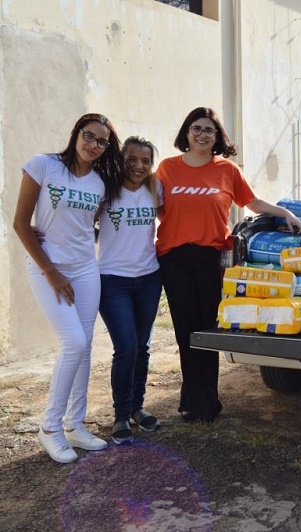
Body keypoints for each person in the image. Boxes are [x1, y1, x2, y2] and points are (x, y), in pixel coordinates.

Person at [156, 107, 301, 423]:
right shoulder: (167, 169)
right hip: (175, 258)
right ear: (186, 132)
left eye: (209, 130)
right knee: (185, 331)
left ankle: (208, 400)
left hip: (212, 259)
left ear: (217, 137)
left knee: (208, 329)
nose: (201, 135)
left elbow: (251, 202)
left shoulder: (227, 170)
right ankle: (189, 400)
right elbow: (153, 206)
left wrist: (285, 214)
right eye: (196, 128)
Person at [13, 113, 125, 463]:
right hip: (49, 269)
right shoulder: (43, 166)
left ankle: (75, 424)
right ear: (76, 134)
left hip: (85, 268)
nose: (93, 145)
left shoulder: (100, 183)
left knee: (86, 344)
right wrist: (50, 269)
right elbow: (20, 223)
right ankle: (49, 428)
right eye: (88, 136)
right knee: (73, 341)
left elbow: (85, 225)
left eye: (101, 141)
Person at [97, 136, 163, 444]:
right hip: (113, 280)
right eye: (131, 159)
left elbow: (170, 219)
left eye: (145, 160)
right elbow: (82, 221)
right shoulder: (105, 188)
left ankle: (138, 408)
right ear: (121, 160)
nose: (138, 166)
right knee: (125, 348)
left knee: (141, 347)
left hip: (149, 278)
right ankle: (120, 415)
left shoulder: (155, 188)